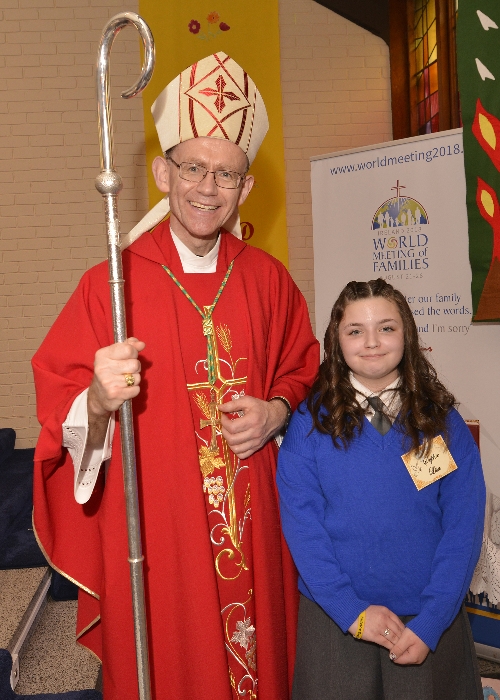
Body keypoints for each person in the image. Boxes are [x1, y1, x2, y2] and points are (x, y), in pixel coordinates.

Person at [32, 52, 319, 700]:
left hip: (253, 527)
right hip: (161, 532)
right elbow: (60, 409)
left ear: (246, 187)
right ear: (164, 173)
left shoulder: (268, 279)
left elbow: (304, 366)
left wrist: (275, 411)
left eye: (226, 173)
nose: (208, 189)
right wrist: (97, 400)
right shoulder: (111, 285)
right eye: (193, 168)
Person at [276, 279, 485, 700]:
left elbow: (463, 527)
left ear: (406, 334)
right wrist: (350, 612)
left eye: (386, 328)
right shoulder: (308, 424)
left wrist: (433, 619)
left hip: (427, 625)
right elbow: (304, 531)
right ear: (336, 342)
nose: (371, 342)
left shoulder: (439, 421)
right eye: (355, 330)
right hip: (337, 624)